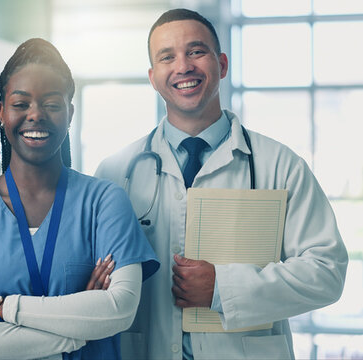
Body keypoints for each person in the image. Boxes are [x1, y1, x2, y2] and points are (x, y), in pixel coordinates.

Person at [95, 8, 348, 359]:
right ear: (153, 77)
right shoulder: (115, 172)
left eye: (196, 52)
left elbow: (327, 272)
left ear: (222, 64)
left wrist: (223, 289)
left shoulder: (280, 165)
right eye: (168, 57)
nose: (183, 66)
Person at [0, 38, 160, 360]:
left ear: (70, 113)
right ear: (1, 112)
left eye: (51, 104)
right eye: (21, 103)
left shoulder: (104, 202)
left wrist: (1, 307)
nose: (36, 115)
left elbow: (120, 310)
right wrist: (75, 331)